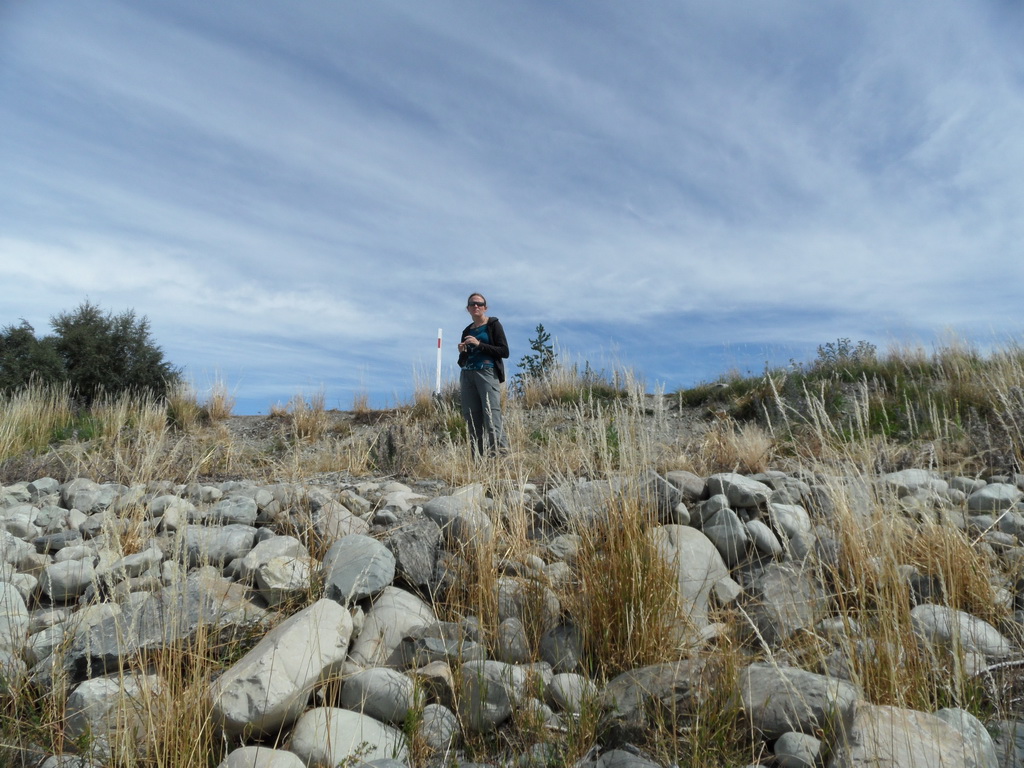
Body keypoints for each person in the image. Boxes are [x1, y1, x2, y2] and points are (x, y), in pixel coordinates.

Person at [457, 292, 510, 457]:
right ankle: (477, 462)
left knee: (491, 416)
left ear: (485, 308)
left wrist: (479, 344)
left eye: (479, 304)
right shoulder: (467, 330)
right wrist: (462, 352)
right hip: (467, 375)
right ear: (468, 308)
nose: (476, 306)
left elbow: (504, 351)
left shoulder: (493, 324)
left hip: (487, 372)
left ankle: (500, 459)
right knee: (472, 420)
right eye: (472, 304)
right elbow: (462, 361)